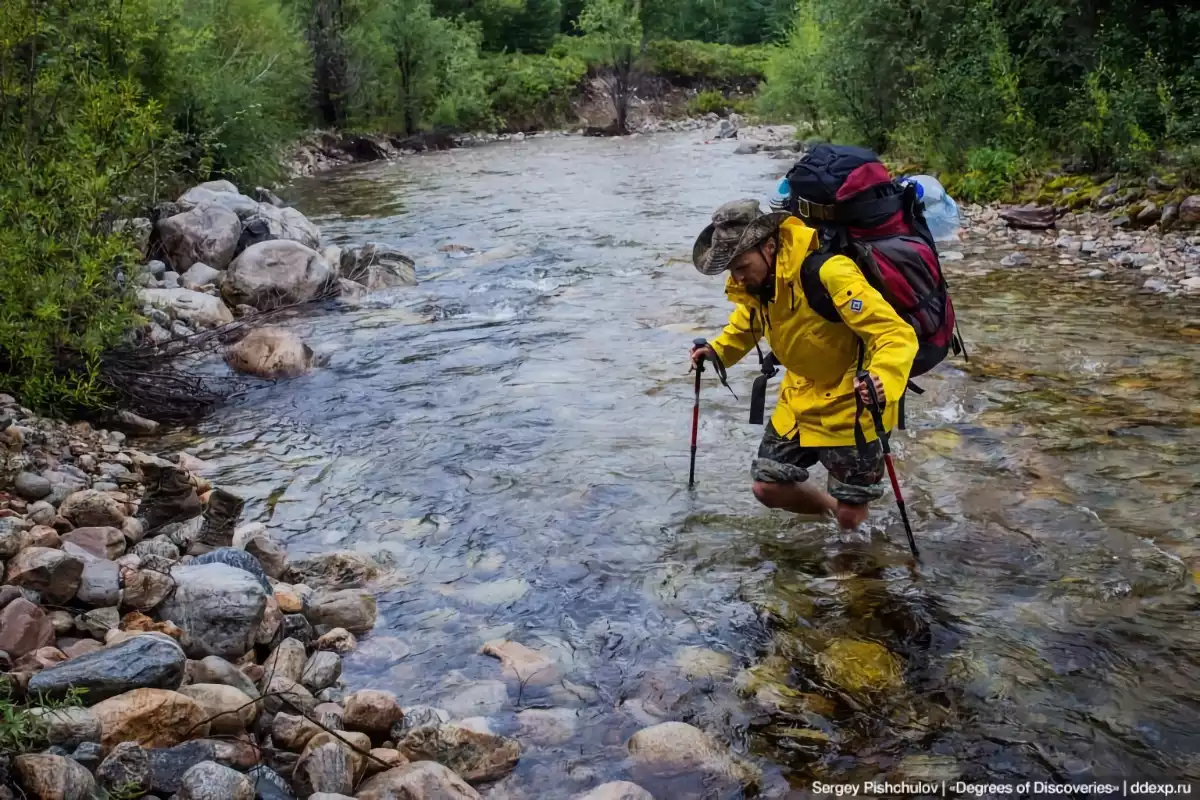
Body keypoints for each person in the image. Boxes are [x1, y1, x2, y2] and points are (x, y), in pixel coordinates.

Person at [690, 199, 918, 530]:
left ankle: (851, 542)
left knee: (852, 517)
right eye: (731, 271)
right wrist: (716, 351)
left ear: (769, 246)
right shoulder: (758, 285)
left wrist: (882, 377)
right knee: (766, 487)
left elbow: (895, 334)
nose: (737, 279)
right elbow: (747, 325)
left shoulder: (830, 272)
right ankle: (831, 514)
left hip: (851, 402)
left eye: (741, 267)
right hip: (800, 399)